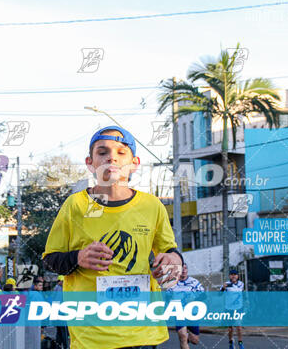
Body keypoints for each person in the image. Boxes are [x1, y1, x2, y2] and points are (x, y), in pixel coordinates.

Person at [43, 126, 183, 348]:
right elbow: (51, 259)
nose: (111, 158)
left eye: (121, 152)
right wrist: (78, 258)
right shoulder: (75, 205)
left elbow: (169, 252)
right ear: (90, 163)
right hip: (92, 335)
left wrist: (174, 261)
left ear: (135, 163)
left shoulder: (152, 206)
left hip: (143, 332)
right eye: (102, 152)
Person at [168, 264, 205, 349]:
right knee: (183, 337)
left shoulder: (194, 282)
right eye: (181, 269)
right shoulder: (172, 283)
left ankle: (187, 335)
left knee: (195, 340)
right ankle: (184, 337)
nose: (184, 270)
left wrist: (194, 299)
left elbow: (203, 296)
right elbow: (167, 297)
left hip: (192, 313)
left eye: (185, 268)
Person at [221, 269, 245, 349]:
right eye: (232, 274)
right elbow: (219, 294)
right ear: (229, 276)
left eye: (235, 274)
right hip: (229, 308)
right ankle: (231, 342)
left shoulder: (241, 284)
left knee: (239, 326)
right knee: (230, 327)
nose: (233, 276)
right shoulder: (226, 284)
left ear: (238, 276)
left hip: (238, 308)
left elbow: (242, 293)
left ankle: (240, 342)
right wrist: (223, 289)